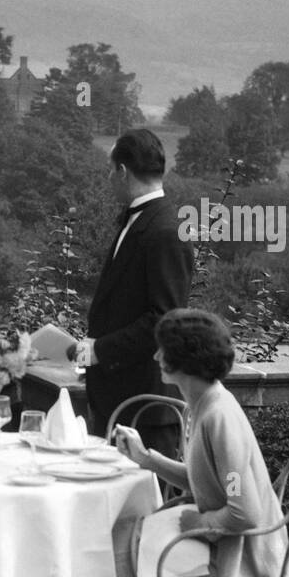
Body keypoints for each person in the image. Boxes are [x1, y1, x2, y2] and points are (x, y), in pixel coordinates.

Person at [20, 309, 289, 577]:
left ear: (183, 357)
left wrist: (201, 522)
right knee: (117, 540)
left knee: (112, 561)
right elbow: (210, 482)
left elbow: (245, 511)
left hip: (241, 565)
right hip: (222, 550)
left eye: (162, 349)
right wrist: (149, 459)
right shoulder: (204, 403)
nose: (154, 357)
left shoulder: (218, 415)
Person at [73, 128, 193, 459]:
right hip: (121, 399)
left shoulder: (165, 230)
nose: (109, 179)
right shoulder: (147, 221)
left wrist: (100, 350)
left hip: (145, 407)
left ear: (122, 172)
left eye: (111, 171)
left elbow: (165, 320)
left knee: (143, 507)